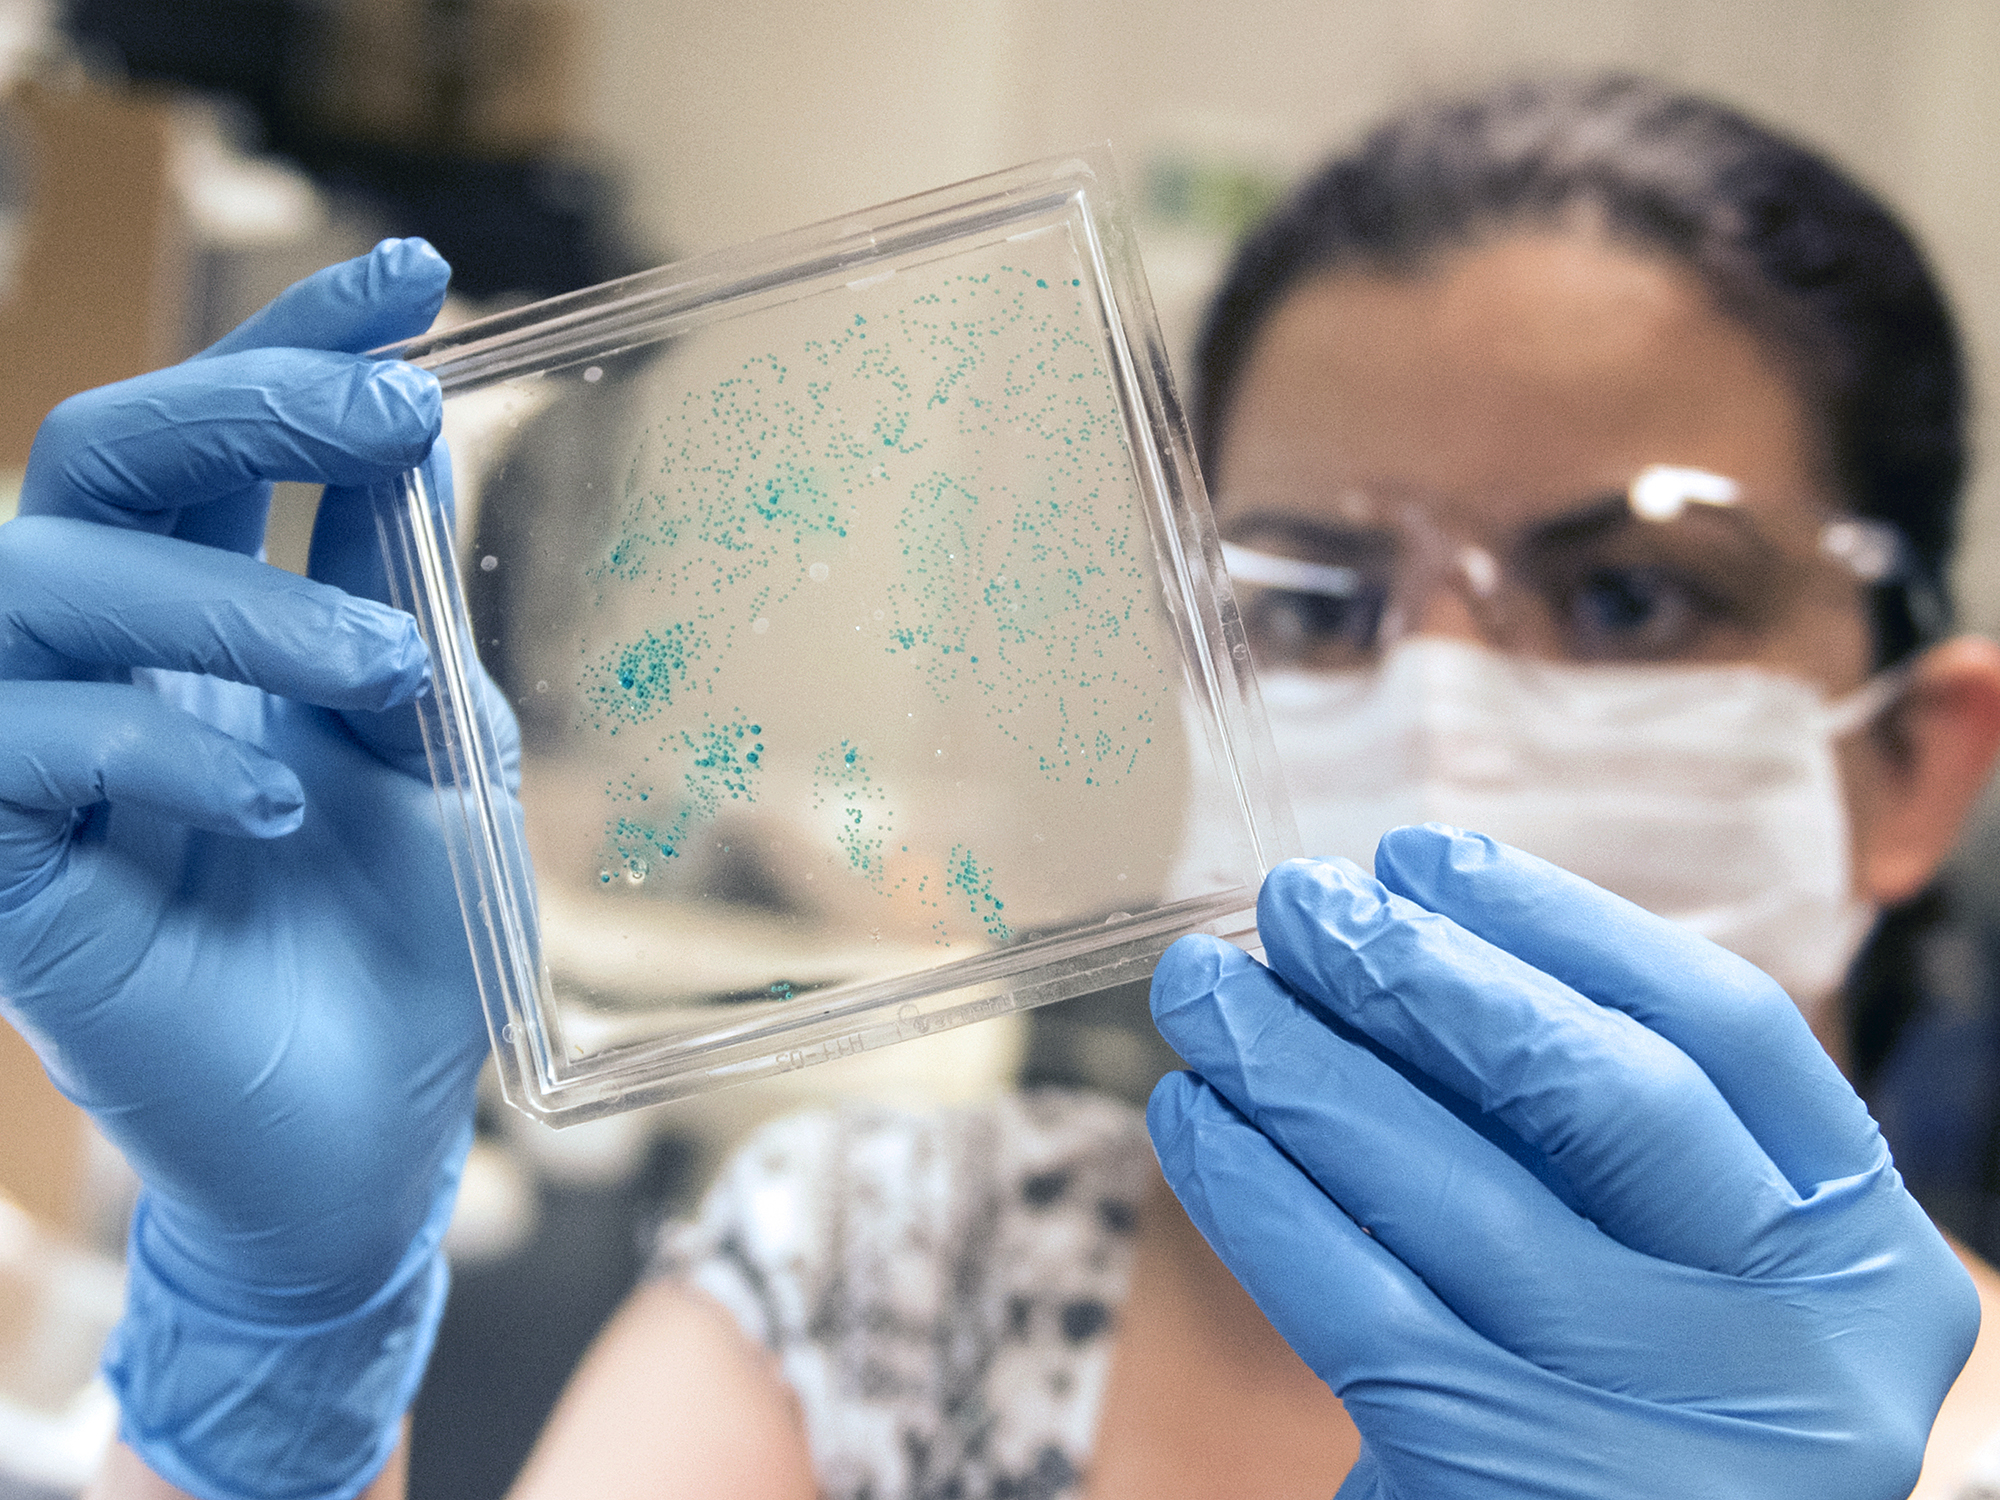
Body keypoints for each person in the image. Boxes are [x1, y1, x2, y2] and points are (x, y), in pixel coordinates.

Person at [0, 72, 1994, 1500]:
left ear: (1917, 764)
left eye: (1629, 593)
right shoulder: (880, 1277)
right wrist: (266, 1369)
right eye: (1304, 602)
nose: (1440, 705)